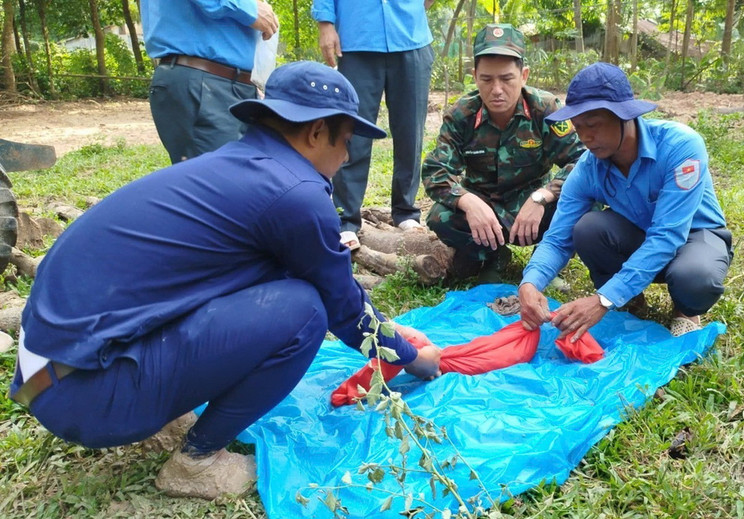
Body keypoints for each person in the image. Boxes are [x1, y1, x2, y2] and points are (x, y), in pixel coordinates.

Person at [8, 61, 442, 500]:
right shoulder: (295, 192)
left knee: (277, 288)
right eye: (346, 141)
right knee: (304, 311)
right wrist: (412, 358)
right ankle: (196, 462)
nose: (347, 157)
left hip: (41, 381)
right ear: (315, 132)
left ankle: (152, 400)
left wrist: (387, 328)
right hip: (86, 398)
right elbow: (341, 307)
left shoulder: (234, 167)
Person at [518, 62, 733, 338]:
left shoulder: (681, 147)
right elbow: (558, 238)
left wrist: (603, 299)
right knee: (588, 228)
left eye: (593, 125)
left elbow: (667, 235)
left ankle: (685, 309)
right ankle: (630, 298)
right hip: (639, 237)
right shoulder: (588, 167)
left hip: (696, 235)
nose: (585, 137)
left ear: (625, 116)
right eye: (578, 127)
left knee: (695, 277)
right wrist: (530, 283)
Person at [422, 24, 585, 283]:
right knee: (440, 216)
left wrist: (542, 196)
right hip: (484, 207)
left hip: (533, 206)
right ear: (475, 76)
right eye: (487, 79)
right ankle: (493, 255)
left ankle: (546, 258)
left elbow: (583, 162)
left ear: (524, 76)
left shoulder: (546, 109)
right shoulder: (462, 114)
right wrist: (468, 201)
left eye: (507, 79)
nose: (497, 89)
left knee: (585, 207)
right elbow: (434, 170)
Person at [311, 0, 436, 249]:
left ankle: (406, 211)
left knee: (410, 132)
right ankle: (346, 219)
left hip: (410, 36)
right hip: (358, 37)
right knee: (351, 131)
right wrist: (326, 23)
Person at [140, 0, 280, 163]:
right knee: (221, 178)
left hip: (231, 84)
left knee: (241, 179)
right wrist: (249, 9)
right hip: (203, 81)